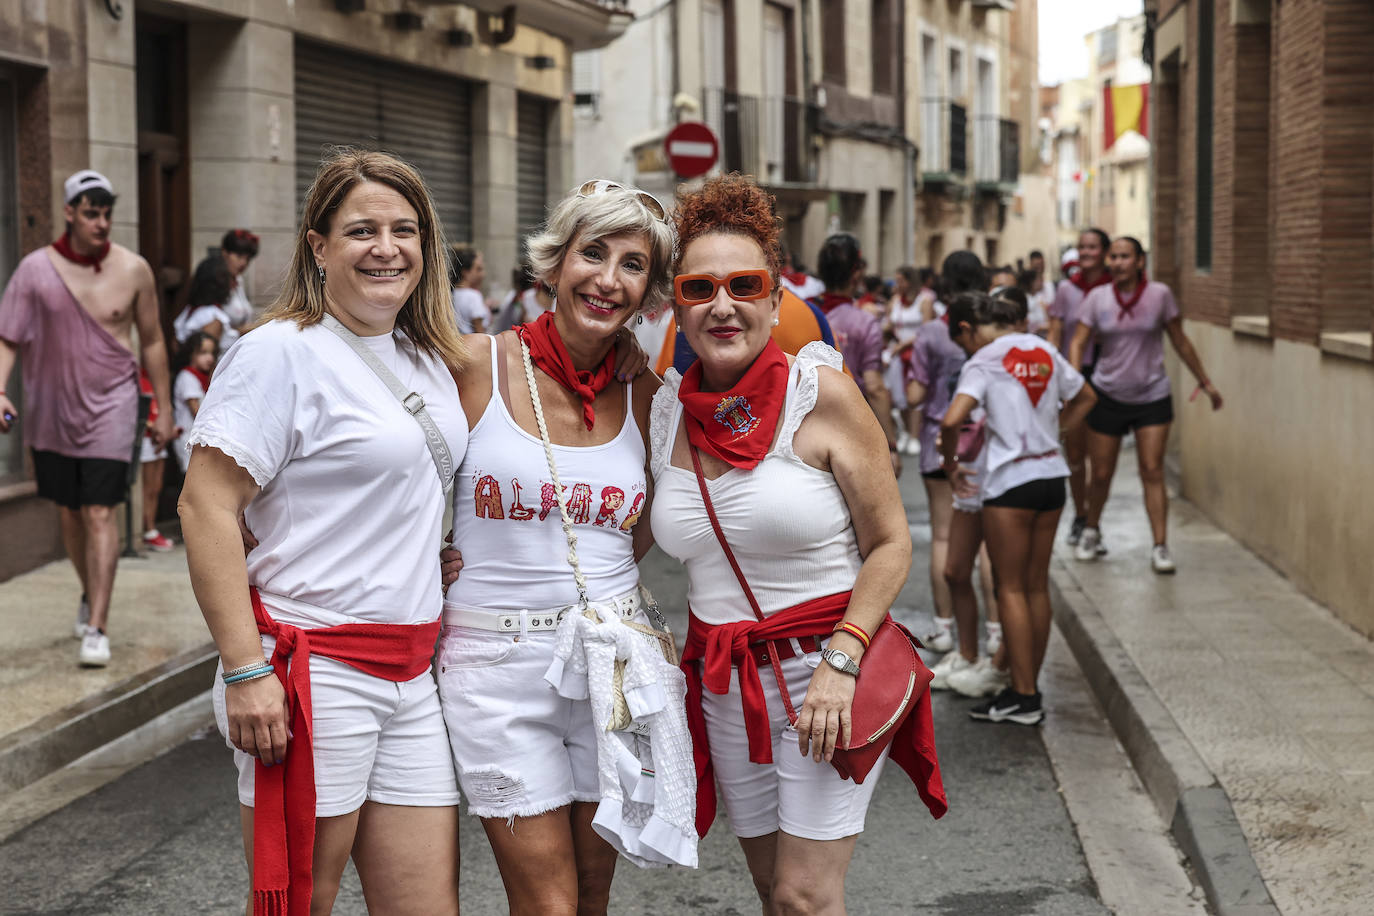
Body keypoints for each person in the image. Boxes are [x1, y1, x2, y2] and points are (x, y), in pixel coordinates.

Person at [178, 149, 468, 915]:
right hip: (318, 673)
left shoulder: (427, 356)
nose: (386, 247)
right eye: (361, 229)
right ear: (318, 246)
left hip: (412, 674)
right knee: (301, 901)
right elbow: (204, 506)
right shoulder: (279, 352)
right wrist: (244, 670)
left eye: (404, 230)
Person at [652, 173, 945, 914]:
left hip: (827, 676)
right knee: (770, 892)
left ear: (776, 297)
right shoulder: (660, 416)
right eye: (699, 287)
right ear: (676, 302)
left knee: (804, 898)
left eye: (743, 284)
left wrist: (843, 661)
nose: (722, 305)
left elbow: (891, 544)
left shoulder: (822, 395)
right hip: (727, 686)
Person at [437, 178, 676, 914]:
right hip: (495, 670)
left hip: (611, 664)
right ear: (555, 262)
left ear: (648, 290)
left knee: (594, 892)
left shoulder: (646, 393)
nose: (608, 279)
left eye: (632, 264)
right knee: (547, 901)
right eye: (592, 253)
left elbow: (635, 534)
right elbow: (386, 466)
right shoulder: (473, 363)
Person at [0, 169, 175, 667]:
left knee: (100, 511)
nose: (102, 223)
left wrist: (159, 406)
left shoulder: (133, 269)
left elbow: (154, 339)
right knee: (71, 514)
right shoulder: (35, 270)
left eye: (107, 213)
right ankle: (89, 592)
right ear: (70, 213)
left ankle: (97, 624)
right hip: (52, 410)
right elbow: (8, 337)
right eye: (92, 213)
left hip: (114, 407)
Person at [940, 292, 1097, 724]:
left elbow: (953, 420)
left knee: (1008, 589)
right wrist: (1055, 431)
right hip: (1051, 478)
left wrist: (951, 465)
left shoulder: (985, 360)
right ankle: (1022, 689)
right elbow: (1086, 397)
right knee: (1036, 588)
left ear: (977, 328)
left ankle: (1025, 697)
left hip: (1010, 482)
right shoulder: (1044, 350)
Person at [1068, 237, 1223, 573]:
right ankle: (1092, 530)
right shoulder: (1097, 298)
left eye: (1125, 256)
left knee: (1152, 470)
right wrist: (1075, 380)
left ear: (1140, 262)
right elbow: (1079, 340)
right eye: (1114, 257)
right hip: (1107, 393)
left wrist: (1205, 382)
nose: (1118, 262)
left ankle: (1160, 547)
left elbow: (1179, 339)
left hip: (1152, 394)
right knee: (1102, 474)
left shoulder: (1159, 296)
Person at [907, 251, 998, 689]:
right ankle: (994, 632)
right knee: (985, 546)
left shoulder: (931, 331)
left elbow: (916, 392)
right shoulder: (993, 329)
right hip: (985, 445)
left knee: (944, 534)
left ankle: (945, 627)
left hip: (939, 445)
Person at [813, 233, 901, 474]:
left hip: (806, 428)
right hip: (852, 428)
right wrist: (891, 445)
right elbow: (874, 387)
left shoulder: (803, 312)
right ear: (857, 274)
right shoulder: (864, 322)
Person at [1047, 228, 1112, 551]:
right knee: (1074, 453)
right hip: (1074, 374)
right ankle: (1081, 513)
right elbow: (1056, 332)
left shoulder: (1116, 287)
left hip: (1108, 375)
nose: (1086, 253)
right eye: (1081, 247)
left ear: (1104, 252)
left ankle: (1093, 522)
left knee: (1100, 461)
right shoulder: (1067, 291)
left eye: (1092, 247)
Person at [171, 331, 218, 476]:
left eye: (212, 353)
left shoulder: (202, 378)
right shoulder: (188, 377)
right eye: (203, 352)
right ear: (191, 353)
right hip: (188, 438)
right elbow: (197, 412)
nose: (209, 358)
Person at [138, 367, 173, 552]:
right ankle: (148, 529)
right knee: (148, 488)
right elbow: (139, 413)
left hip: (159, 440)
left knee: (156, 487)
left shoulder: (155, 379)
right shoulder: (137, 378)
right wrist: (155, 428)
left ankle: (151, 528)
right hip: (146, 439)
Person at [173, 256, 238, 348]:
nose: (235, 283)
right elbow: (206, 357)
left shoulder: (190, 310)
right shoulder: (212, 318)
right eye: (232, 278)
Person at [220, 228, 261, 333]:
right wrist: (241, 331)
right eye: (239, 256)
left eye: (247, 259)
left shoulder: (238, 280)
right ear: (225, 253)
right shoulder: (213, 281)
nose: (243, 263)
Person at [450, 242, 489, 334]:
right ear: (465, 272)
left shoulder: (452, 293)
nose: (483, 274)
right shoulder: (473, 296)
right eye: (478, 269)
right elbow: (480, 333)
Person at [1018, 267, 1051, 336]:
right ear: (1031, 282)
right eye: (1039, 280)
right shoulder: (1024, 300)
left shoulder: (1040, 297)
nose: (1042, 282)